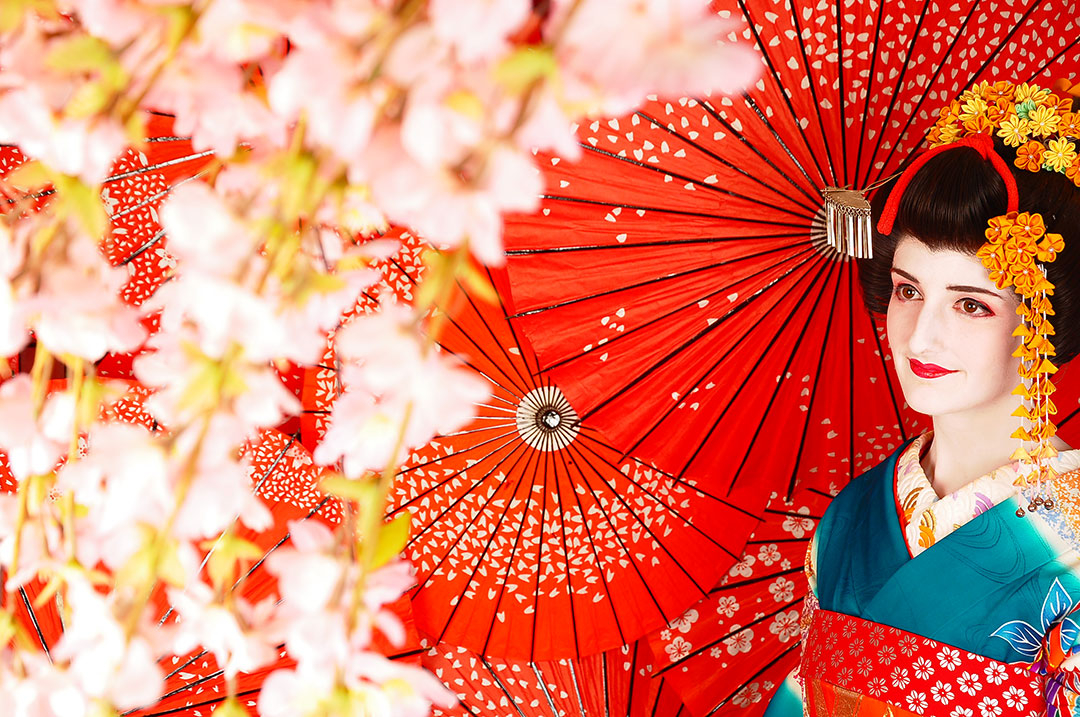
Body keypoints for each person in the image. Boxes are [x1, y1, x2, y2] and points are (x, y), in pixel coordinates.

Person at [765, 81, 1080, 717]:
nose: (922, 333)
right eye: (909, 290)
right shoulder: (849, 518)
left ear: (1049, 319)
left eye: (970, 303)